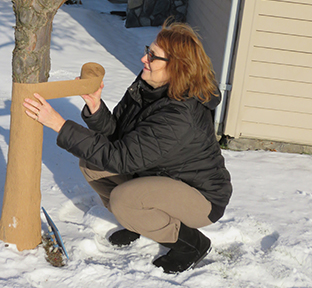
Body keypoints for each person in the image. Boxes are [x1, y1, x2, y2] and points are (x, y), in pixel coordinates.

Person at [23, 20, 232, 274]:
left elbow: (120, 157)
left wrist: (59, 124)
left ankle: (192, 244)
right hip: (159, 176)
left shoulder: (179, 114)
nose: (145, 58)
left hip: (201, 196)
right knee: (92, 164)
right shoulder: (149, 85)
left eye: (153, 56)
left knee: (124, 199)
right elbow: (119, 134)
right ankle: (138, 220)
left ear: (177, 67)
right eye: (148, 50)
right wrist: (96, 107)